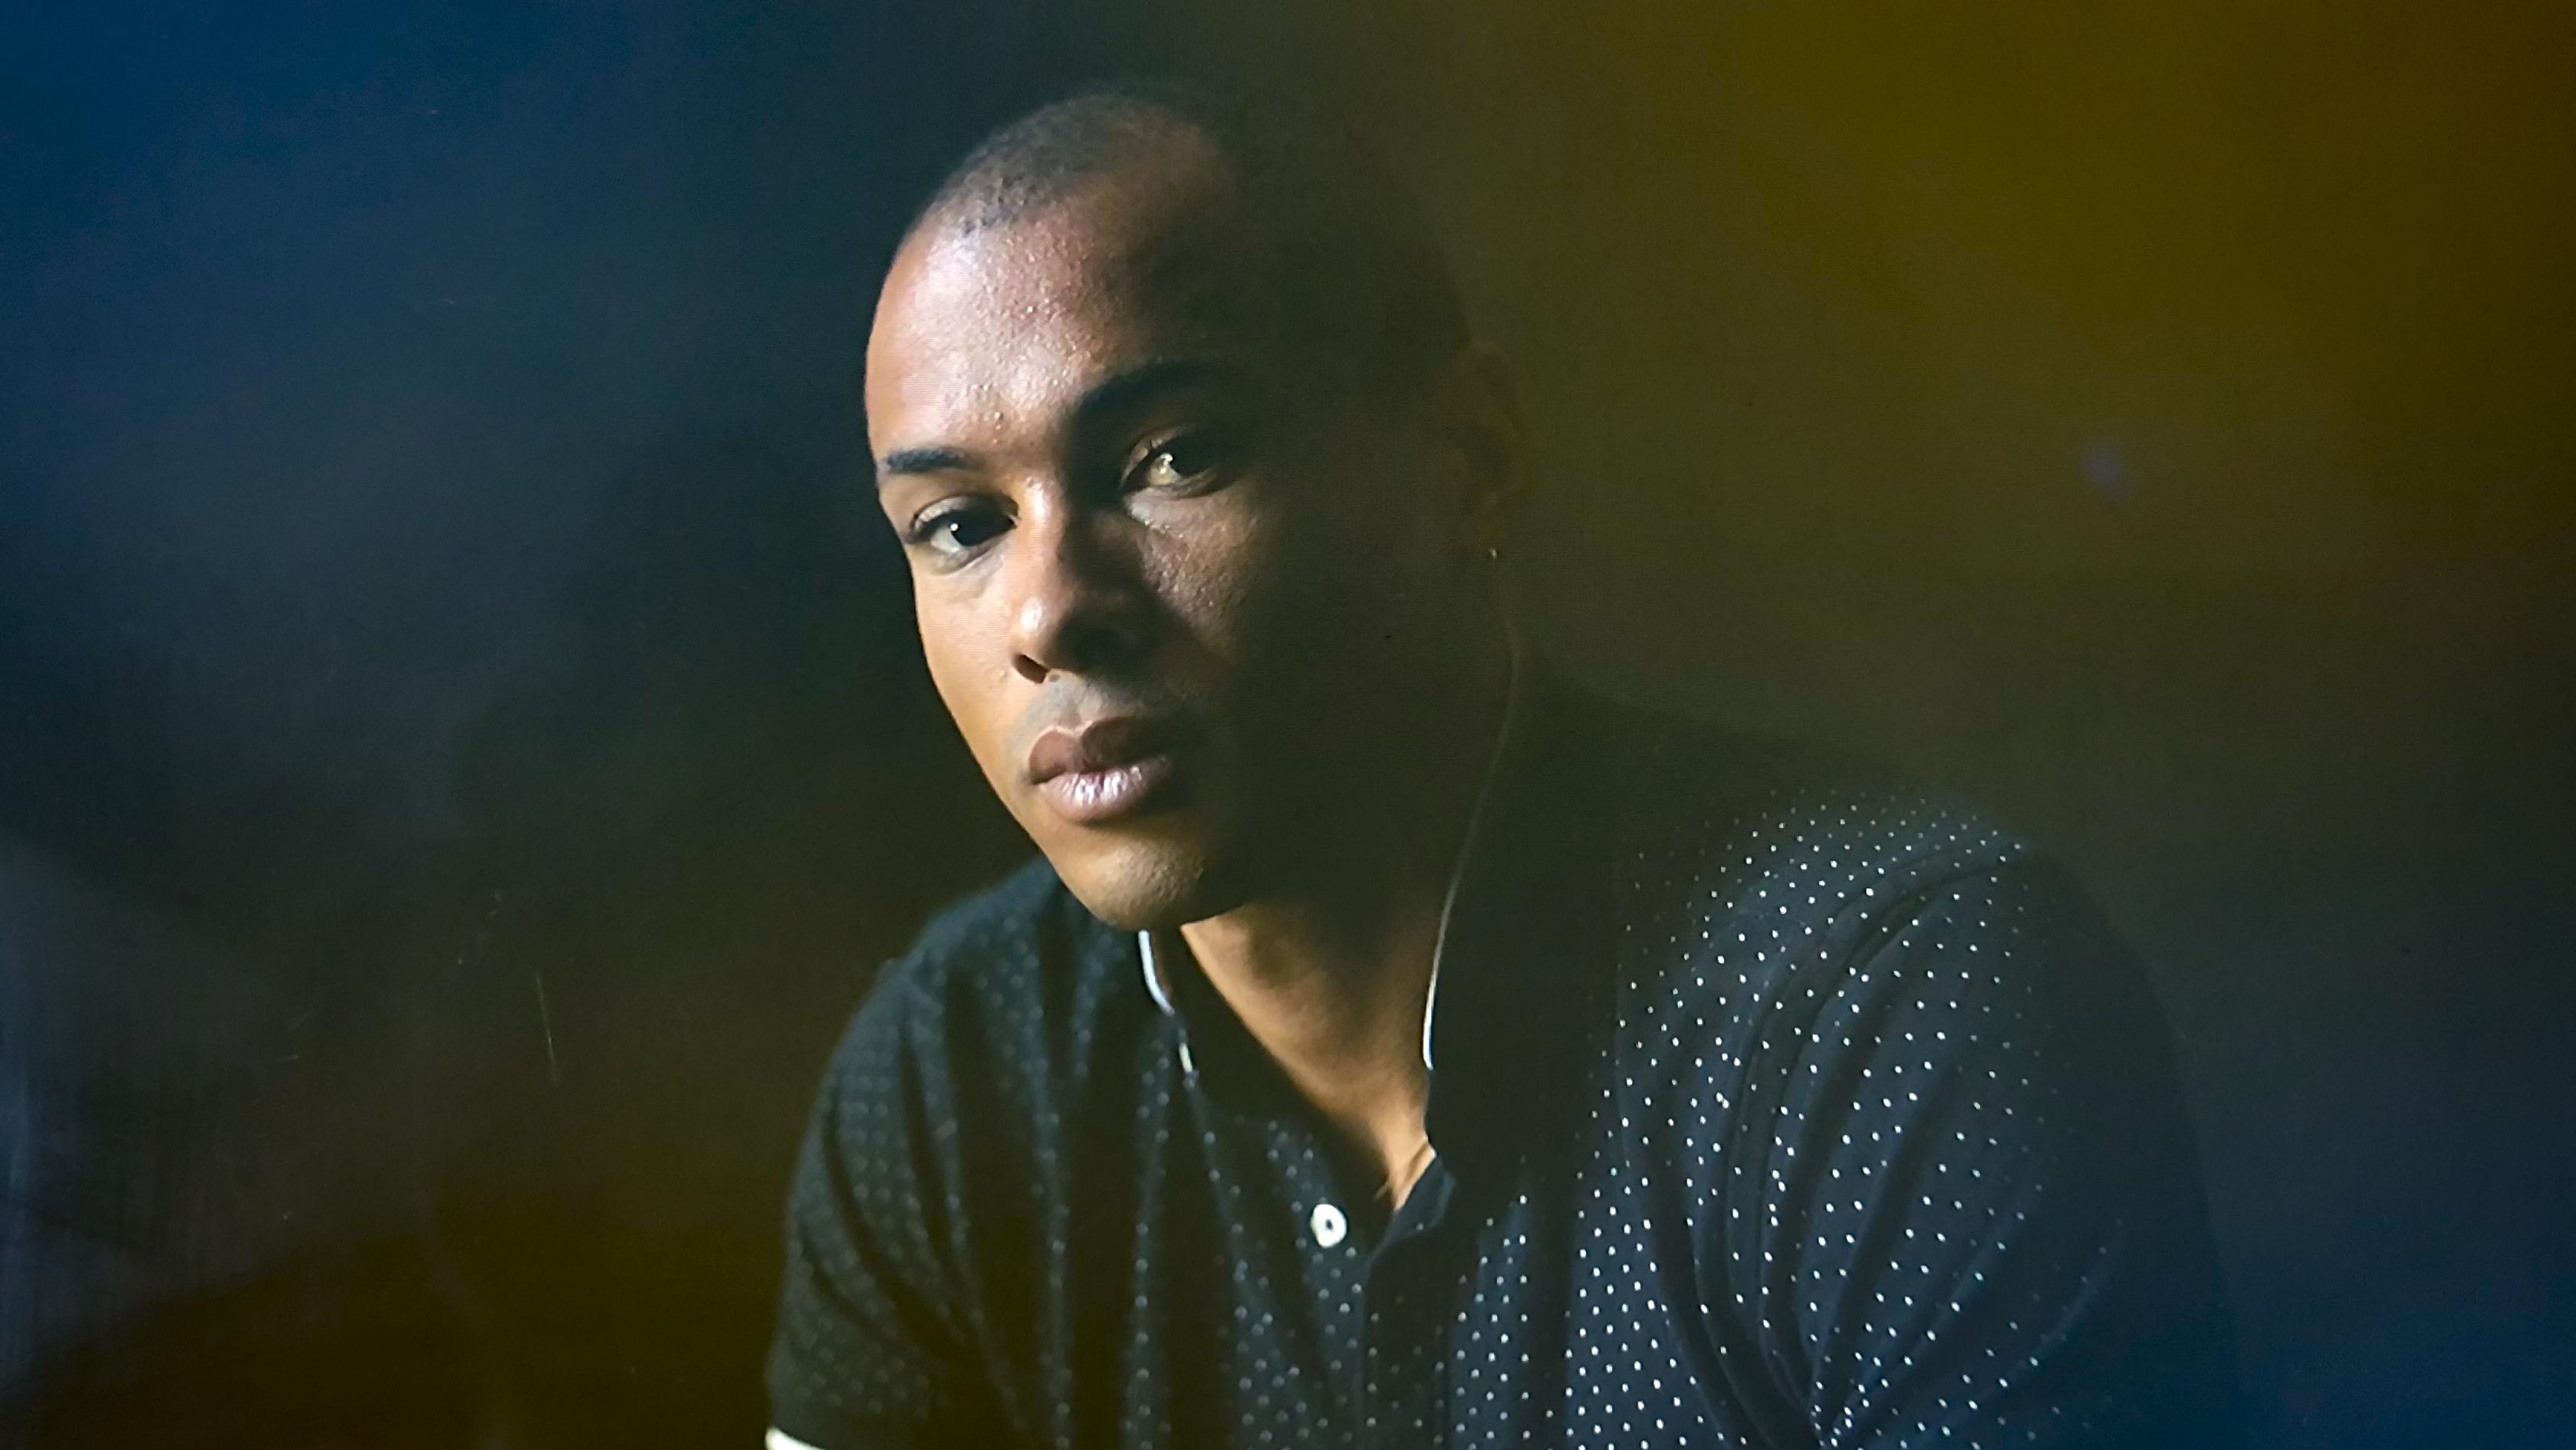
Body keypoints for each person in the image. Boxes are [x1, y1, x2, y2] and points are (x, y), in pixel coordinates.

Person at [767, 80, 2244, 1450]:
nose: (1048, 613)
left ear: (1465, 455)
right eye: (961, 524)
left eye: (1176, 454)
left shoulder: (1896, 1011)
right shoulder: (956, 1072)